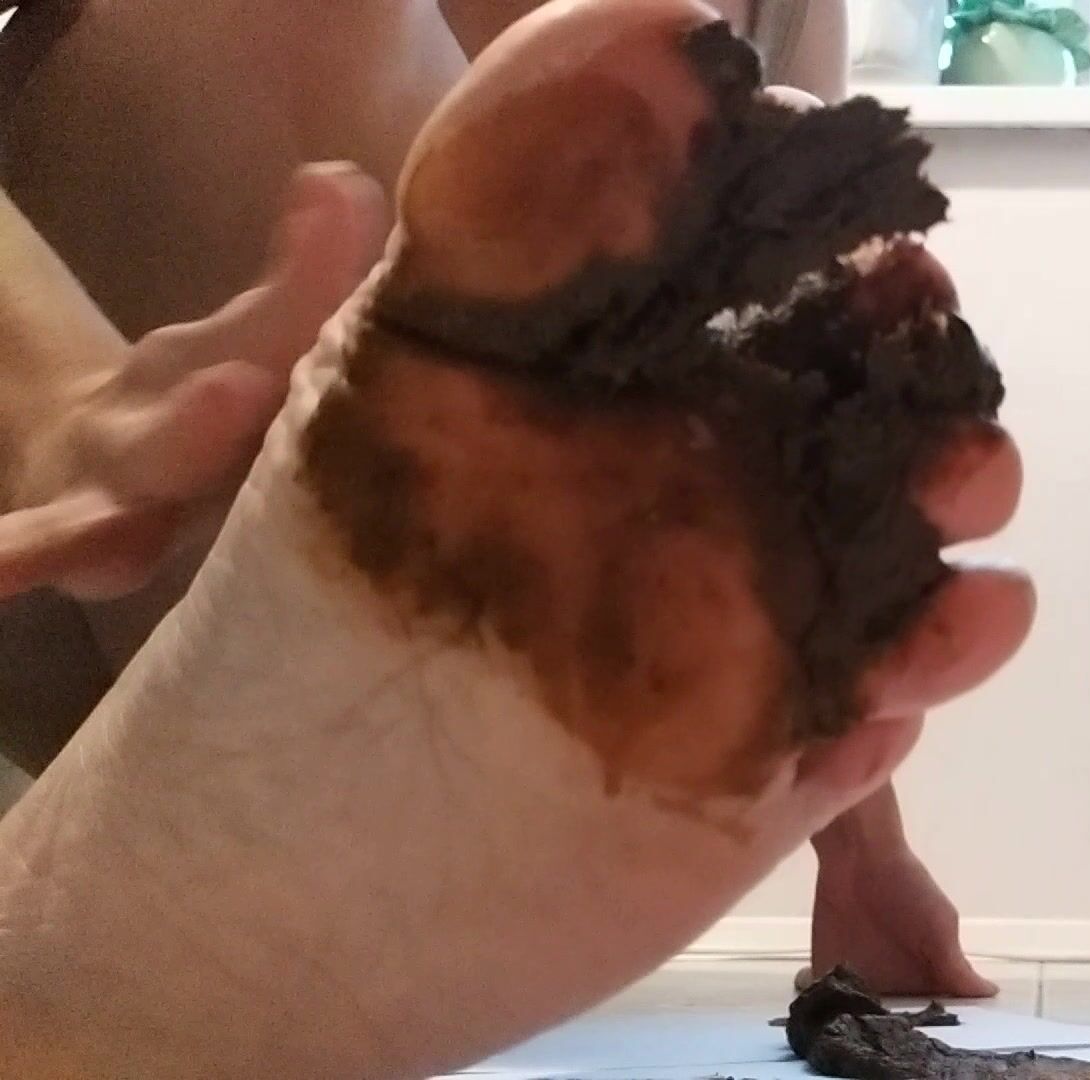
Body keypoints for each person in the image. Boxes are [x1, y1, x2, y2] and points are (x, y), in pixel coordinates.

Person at [0, 0, 998, 998]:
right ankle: (232, 862)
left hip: (396, 638)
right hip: (68, 538)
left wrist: (864, 850)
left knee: (762, 197)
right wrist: (53, 406)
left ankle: (284, 862)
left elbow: (782, 378)